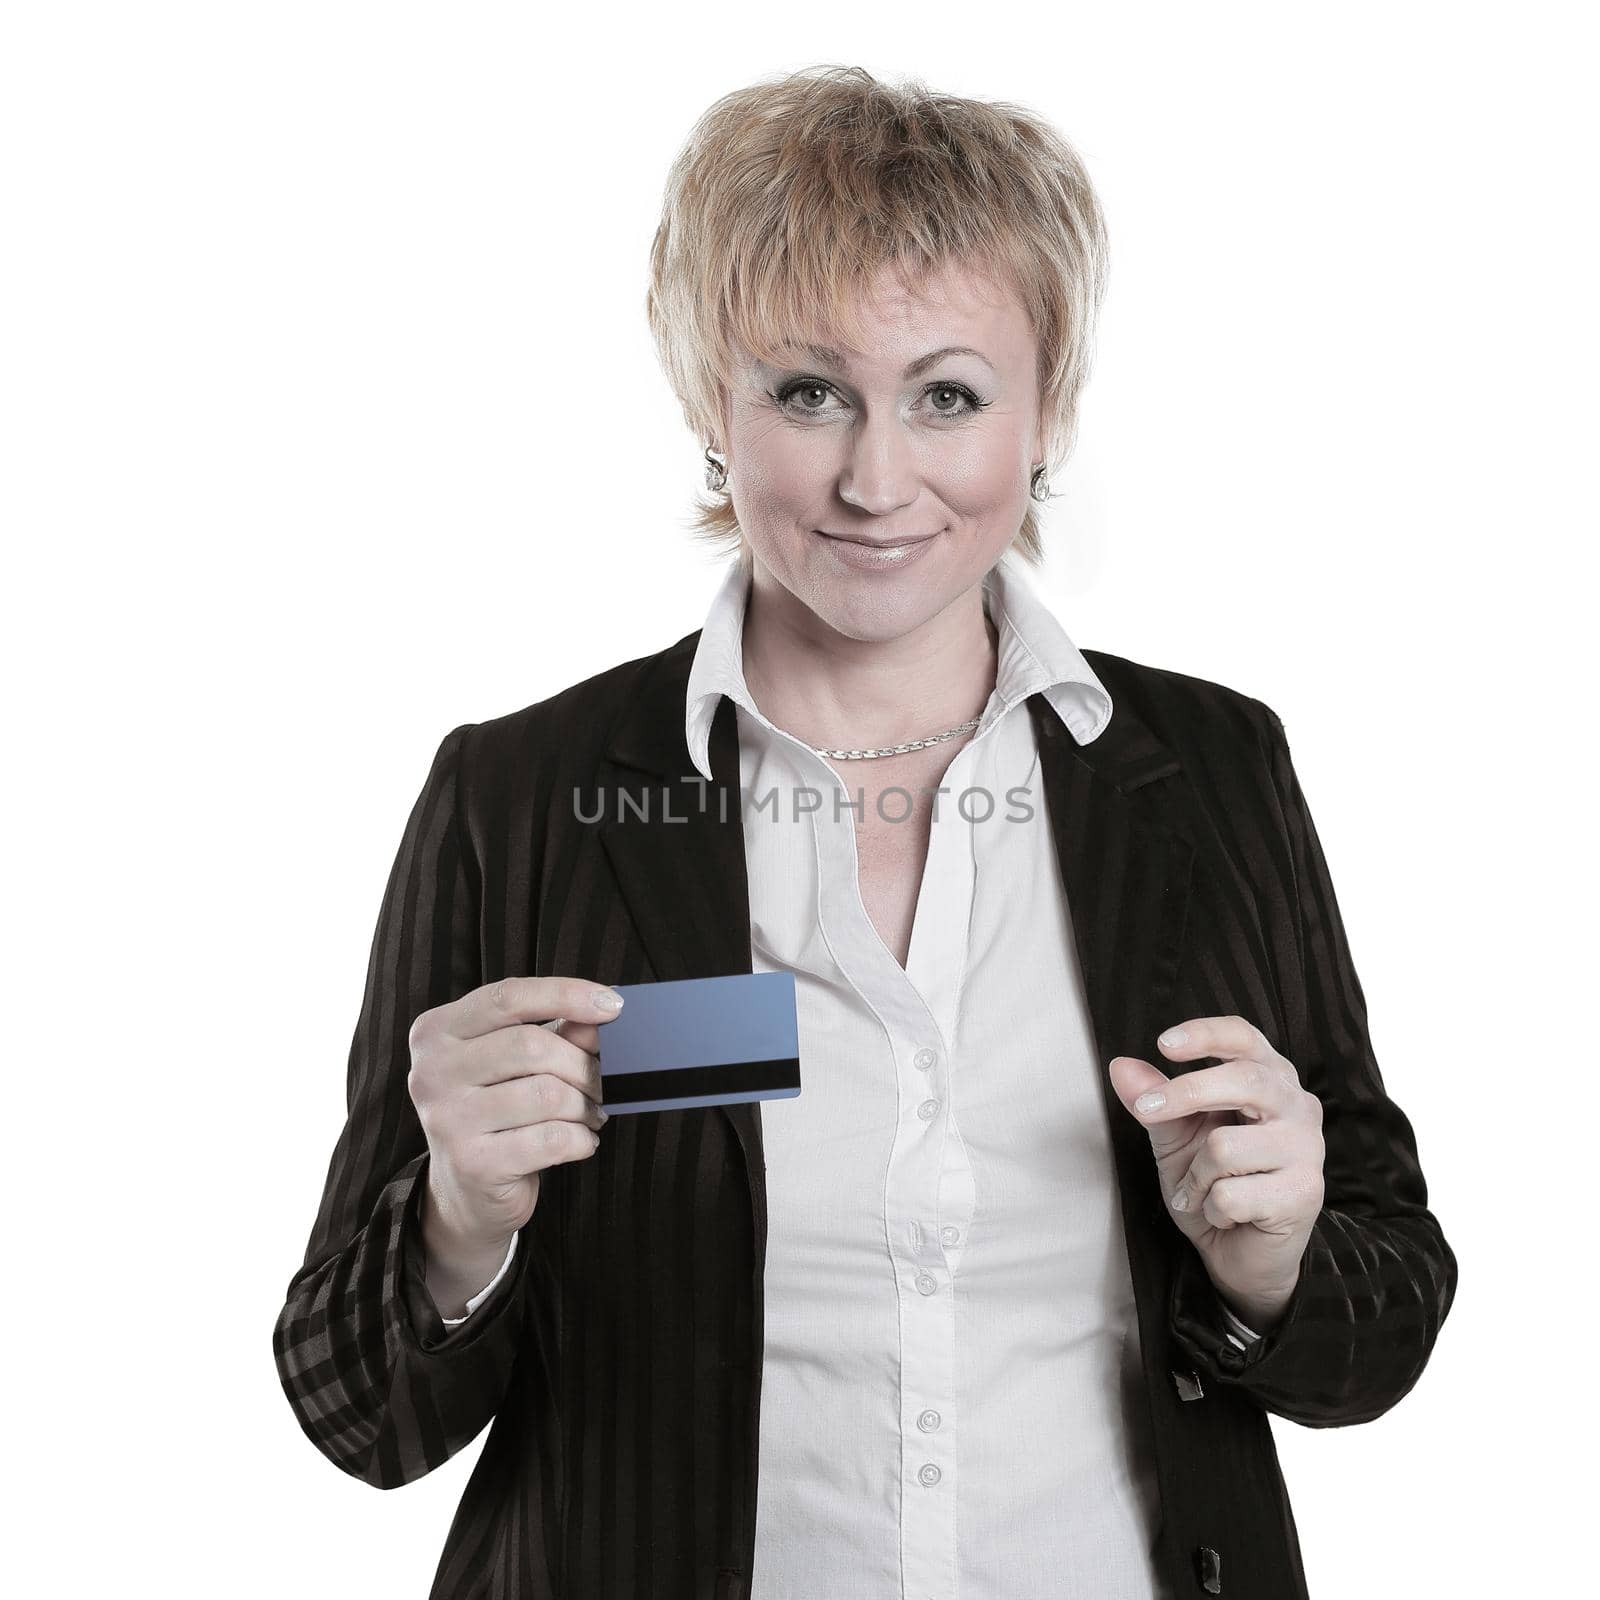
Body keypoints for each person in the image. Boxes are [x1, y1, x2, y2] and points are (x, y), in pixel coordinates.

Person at [272, 64, 1457, 1600]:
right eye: (808, 390)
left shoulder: (1213, 770)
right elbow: (352, 1411)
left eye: (949, 394)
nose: (875, 477)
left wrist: (1276, 1261)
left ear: (1048, 416)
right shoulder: (525, 796)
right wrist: (455, 1223)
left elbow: (1387, 1321)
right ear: (716, 404)